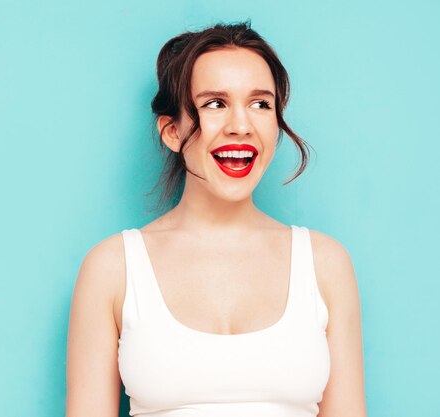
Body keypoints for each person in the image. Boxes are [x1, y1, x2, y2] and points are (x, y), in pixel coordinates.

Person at [66, 22, 367, 417]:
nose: (241, 125)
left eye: (261, 104)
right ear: (171, 131)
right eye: (215, 104)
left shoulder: (326, 264)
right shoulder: (111, 268)